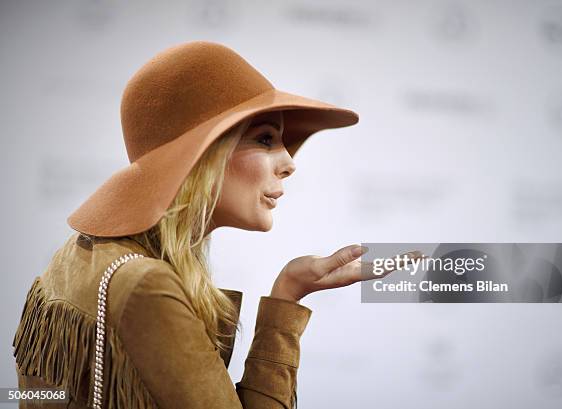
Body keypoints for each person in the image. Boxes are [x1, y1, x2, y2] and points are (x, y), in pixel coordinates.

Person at [11, 41, 394, 409]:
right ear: (201, 156)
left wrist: (289, 290)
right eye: (265, 139)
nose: (289, 162)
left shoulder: (77, 255)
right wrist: (283, 315)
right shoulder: (146, 285)